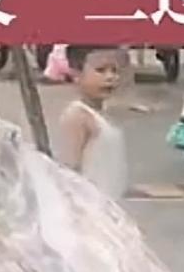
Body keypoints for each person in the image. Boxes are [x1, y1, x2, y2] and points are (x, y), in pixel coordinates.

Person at [53, 44, 129, 203]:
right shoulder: (77, 116)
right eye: (101, 70)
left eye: (114, 70)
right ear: (76, 74)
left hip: (109, 204)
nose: (110, 77)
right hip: (89, 206)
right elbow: (68, 170)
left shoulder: (102, 114)